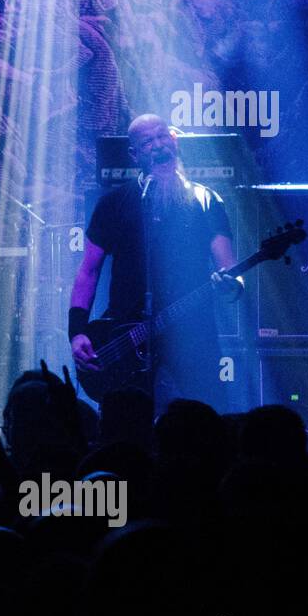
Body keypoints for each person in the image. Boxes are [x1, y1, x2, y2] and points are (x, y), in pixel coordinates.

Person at [68, 114, 241, 409]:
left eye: (164, 137)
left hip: (192, 332)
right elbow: (88, 270)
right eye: (148, 141)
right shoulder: (113, 204)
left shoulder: (204, 200)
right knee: (126, 423)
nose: (159, 145)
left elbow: (230, 269)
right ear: (134, 154)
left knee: (208, 415)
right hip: (128, 334)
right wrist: (77, 331)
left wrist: (231, 285)